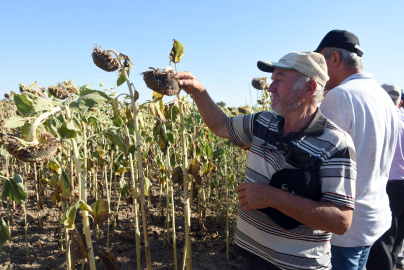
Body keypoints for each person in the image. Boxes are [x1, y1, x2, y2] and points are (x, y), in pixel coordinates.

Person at [175, 51, 357, 270]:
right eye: (272, 80)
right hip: (252, 255)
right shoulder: (263, 121)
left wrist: (272, 197)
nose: (270, 87)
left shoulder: (336, 143)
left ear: (308, 88)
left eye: (279, 80)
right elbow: (221, 125)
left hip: (296, 266)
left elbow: (341, 220)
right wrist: (198, 91)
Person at [314, 30, 398, 270]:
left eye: (321, 61)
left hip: (346, 226)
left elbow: (318, 157)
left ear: (335, 59)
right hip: (374, 216)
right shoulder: (382, 96)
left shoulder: (341, 96)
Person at [366, 83, 404, 270]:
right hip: (401, 182)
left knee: (383, 238)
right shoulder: (402, 119)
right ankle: (395, 261)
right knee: (398, 234)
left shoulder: (380, 119)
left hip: (388, 182)